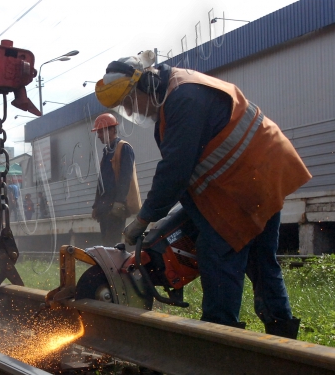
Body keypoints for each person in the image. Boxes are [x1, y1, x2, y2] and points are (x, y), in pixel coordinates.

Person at [95, 51, 312, 338]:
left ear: (146, 86)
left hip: (251, 179)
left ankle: (218, 339)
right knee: (260, 260)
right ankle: (283, 338)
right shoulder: (175, 93)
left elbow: (175, 171)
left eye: (130, 102)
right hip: (257, 176)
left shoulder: (183, 99)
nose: (133, 112)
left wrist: (144, 219)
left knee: (216, 253)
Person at [91, 113, 141, 247]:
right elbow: (101, 182)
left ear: (112, 130)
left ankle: (116, 268)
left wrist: (119, 203)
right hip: (105, 208)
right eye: (98, 132)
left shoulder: (124, 148)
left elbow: (126, 177)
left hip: (115, 208)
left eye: (101, 131)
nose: (99, 135)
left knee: (112, 245)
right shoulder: (107, 152)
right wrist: (96, 205)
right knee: (106, 245)